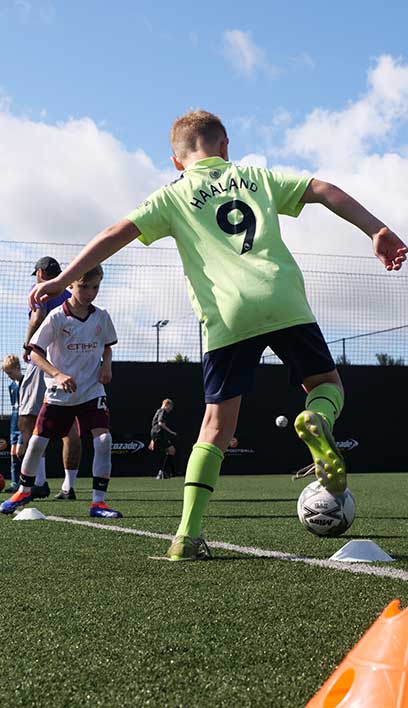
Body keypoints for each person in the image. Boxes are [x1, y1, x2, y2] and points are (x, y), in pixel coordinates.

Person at [28, 109, 408, 561]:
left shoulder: (173, 194)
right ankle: (318, 421)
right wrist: (377, 229)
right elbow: (323, 189)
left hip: (226, 317)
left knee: (215, 426)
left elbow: (115, 233)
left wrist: (58, 280)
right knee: (326, 387)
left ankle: (186, 536)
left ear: (176, 162)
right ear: (225, 146)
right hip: (282, 298)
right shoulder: (255, 176)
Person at [0, 266, 122, 519]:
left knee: (104, 440)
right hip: (59, 393)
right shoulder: (56, 317)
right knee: (36, 443)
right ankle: (24, 490)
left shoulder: (102, 316)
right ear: (70, 286)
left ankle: (98, 503)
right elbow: (34, 352)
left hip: (91, 391)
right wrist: (57, 374)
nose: (90, 293)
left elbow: (107, 346)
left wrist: (106, 365)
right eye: (84, 287)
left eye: (95, 287)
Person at [19, 256, 82, 501]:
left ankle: (39, 481)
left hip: (45, 358)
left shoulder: (39, 291)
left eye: (36, 273)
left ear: (42, 272)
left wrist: (28, 345)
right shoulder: (70, 294)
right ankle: (68, 485)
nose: (35, 277)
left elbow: (37, 317)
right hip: (72, 361)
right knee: (71, 424)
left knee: (28, 417)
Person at [0, 354, 23, 493]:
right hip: (14, 421)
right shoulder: (11, 386)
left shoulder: (27, 381)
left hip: (24, 420)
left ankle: (28, 481)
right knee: (13, 452)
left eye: (10, 372)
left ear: (18, 368)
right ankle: (15, 483)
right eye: (6, 373)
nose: (8, 375)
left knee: (21, 451)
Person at [149, 398, 177, 479]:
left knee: (169, 451)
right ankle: (162, 472)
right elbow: (160, 423)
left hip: (156, 434)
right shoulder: (162, 411)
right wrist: (171, 432)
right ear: (166, 405)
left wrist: (152, 439)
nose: (170, 409)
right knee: (172, 450)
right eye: (170, 407)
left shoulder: (158, 411)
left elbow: (153, 424)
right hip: (159, 433)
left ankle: (165, 472)